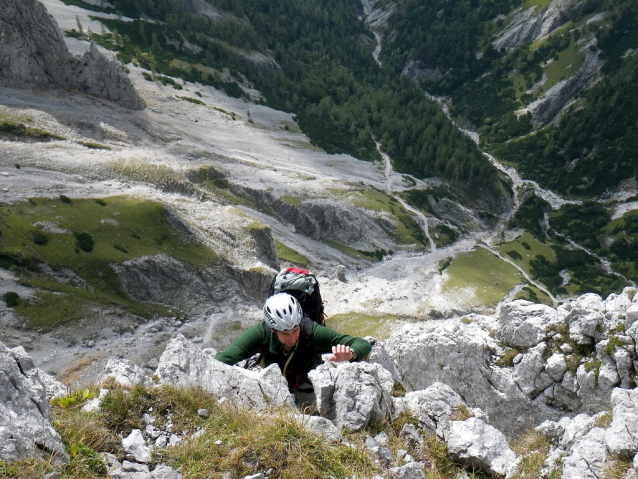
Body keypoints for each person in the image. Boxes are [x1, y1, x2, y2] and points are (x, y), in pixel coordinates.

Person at [215, 292, 372, 406]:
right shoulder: (260, 334)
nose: (292, 338)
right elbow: (224, 359)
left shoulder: (312, 331)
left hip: (308, 387)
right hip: (273, 388)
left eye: (295, 330)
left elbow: (362, 344)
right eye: (285, 333)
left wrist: (351, 354)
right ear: (272, 330)